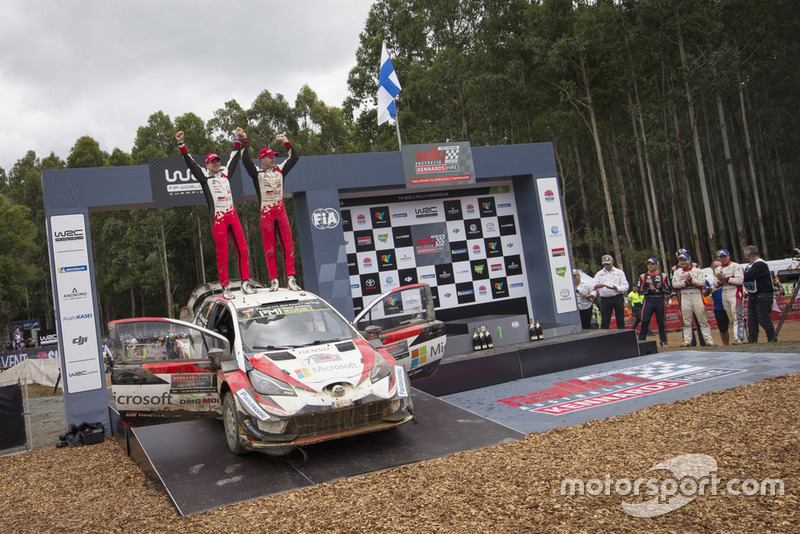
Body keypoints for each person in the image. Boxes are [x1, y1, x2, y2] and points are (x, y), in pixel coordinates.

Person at [176, 128, 255, 299]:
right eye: (213, 162)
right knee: (223, 252)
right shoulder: (204, 176)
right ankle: (225, 287)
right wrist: (182, 145)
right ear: (207, 165)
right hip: (218, 217)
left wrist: (238, 140)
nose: (216, 164)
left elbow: (234, 158)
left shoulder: (225, 173)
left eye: (217, 161)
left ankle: (245, 282)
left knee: (243, 248)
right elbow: (190, 163)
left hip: (232, 214)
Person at [241, 134, 301, 291]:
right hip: (266, 214)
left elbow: (294, 157)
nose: (273, 159)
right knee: (269, 249)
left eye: (274, 156)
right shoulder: (257, 174)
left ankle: (291, 278)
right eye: (270, 157)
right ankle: (274, 279)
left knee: (288, 246)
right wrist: (244, 141)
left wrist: (286, 141)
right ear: (262, 160)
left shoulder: (280, 170)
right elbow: (246, 161)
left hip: (281, 212)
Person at [671, 252, 714, 347]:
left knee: (702, 319)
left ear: (689, 260)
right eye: (681, 261)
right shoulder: (677, 272)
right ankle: (687, 341)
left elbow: (702, 282)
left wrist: (692, 281)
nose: (683, 262)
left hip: (696, 295)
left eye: (685, 260)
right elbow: (674, 284)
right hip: (684, 295)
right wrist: (686, 282)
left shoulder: (698, 271)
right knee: (686, 320)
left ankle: (709, 341)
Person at [742, 244, 776, 343]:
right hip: (753, 295)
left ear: (748, 254)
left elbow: (747, 276)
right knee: (752, 320)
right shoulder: (750, 265)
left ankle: (772, 338)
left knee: (763, 318)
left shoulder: (760, 264)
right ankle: (753, 340)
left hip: (763, 295)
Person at [637, 258, 671, 347]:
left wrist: (660, 288)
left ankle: (663, 341)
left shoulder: (663, 276)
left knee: (661, 322)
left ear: (657, 265)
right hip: (648, 300)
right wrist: (649, 290)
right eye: (648, 264)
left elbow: (669, 290)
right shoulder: (643, 276)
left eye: (652, 264)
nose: (650, 266)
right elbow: (640, 291)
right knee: (645, 320)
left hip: (660, 299)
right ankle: (641, 340)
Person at [713, 249, 744, 344]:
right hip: (724, 292)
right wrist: (720, 280)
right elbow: (715, 283)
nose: (722, 259)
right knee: (731, 317)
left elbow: (739, 280)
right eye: (721, 257)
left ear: (728, 256)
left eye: (724, 256)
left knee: (736, 316)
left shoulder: (735, 266)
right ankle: (741, 338)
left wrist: (726, 278)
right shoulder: (718, 269)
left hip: (734, 291)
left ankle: (739, 338)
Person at [593, 254, 629, 329]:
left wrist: (617, 288)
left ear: (612, 261)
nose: (607, 266)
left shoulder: (619, 272)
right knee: (605, 321)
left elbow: (626, 286)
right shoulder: (599, 274)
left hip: (617, 297)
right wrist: (597, 286)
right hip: (605, 299)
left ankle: (622, 336)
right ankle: (605, 338)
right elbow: (593, 285)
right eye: (605, 264)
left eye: (608, 264)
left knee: (620, 320)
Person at [706, 260, 731, 345]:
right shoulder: (708, 279)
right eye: (716, 266)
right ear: (711, 268)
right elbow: (705, 294)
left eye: (720, 266)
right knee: (723, 328)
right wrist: (708, 291)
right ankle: (726, 345)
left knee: (738, 323)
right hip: (719, 307)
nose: (718, 268)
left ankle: (742, 341)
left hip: (731, 304)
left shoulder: (728, 274)